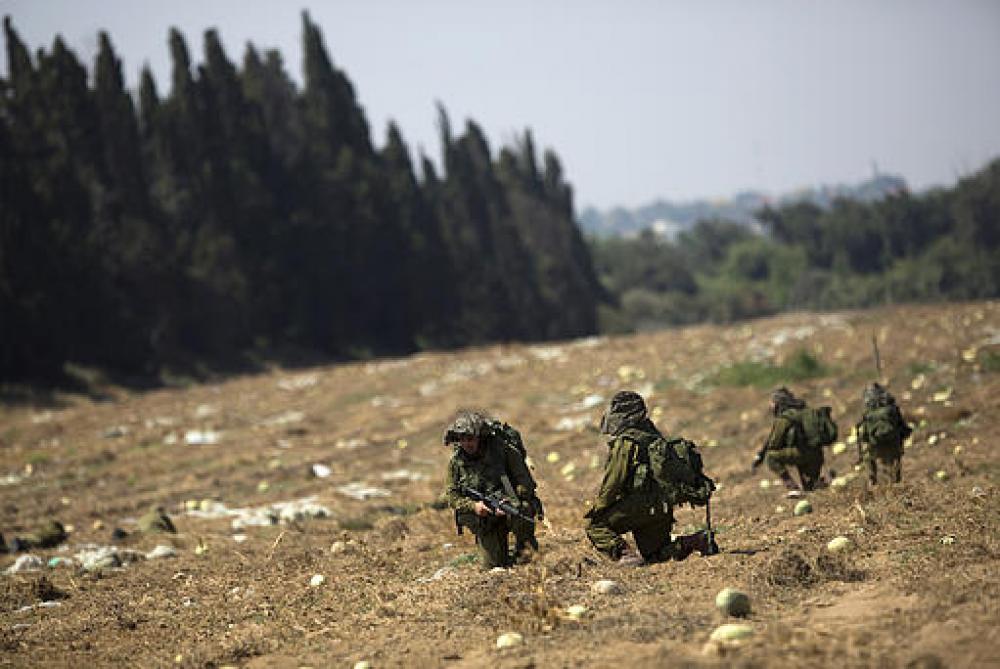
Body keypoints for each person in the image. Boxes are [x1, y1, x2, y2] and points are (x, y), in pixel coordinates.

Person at [585, 391, 709, 566]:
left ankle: (626, 555)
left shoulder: (626, 442)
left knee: (595, 527)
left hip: (641, 505)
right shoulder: (652, 433)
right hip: (662, 507)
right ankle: (695, 541)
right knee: (656, 555)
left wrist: (599, 508)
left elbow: (614, 481)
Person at [440, 410, 542, 569]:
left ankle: (525, 553)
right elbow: (451, 495)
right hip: (484, 517)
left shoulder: (504, 451)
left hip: (509, 505)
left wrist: (509, 500)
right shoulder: (457, 462)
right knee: (493, 566)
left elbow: (525, 483)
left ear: (480, 437)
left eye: (470, 439)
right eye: (462, 440)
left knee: (523, 510)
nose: (466, 444)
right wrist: (474, 506)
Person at [752, 387, 825, 491]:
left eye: (772, 402)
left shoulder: (784, 418)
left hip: (802, 454)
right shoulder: (805, 411)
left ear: (778, 403)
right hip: (817, 455)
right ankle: (818, 481)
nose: (771, 406)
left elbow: (774, 443)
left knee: (771, 457)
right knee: (810, 488)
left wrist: (762, 455)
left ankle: (791, 486)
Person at [856, 382, 910, 485]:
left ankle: (873, 480)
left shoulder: (868, 412)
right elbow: (902, 426)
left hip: (874, 445)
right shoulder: (892, 408)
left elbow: (863, 434)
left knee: (869, 459)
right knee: (894, 466)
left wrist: (861, 451)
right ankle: (896, 484)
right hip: (893, 442)